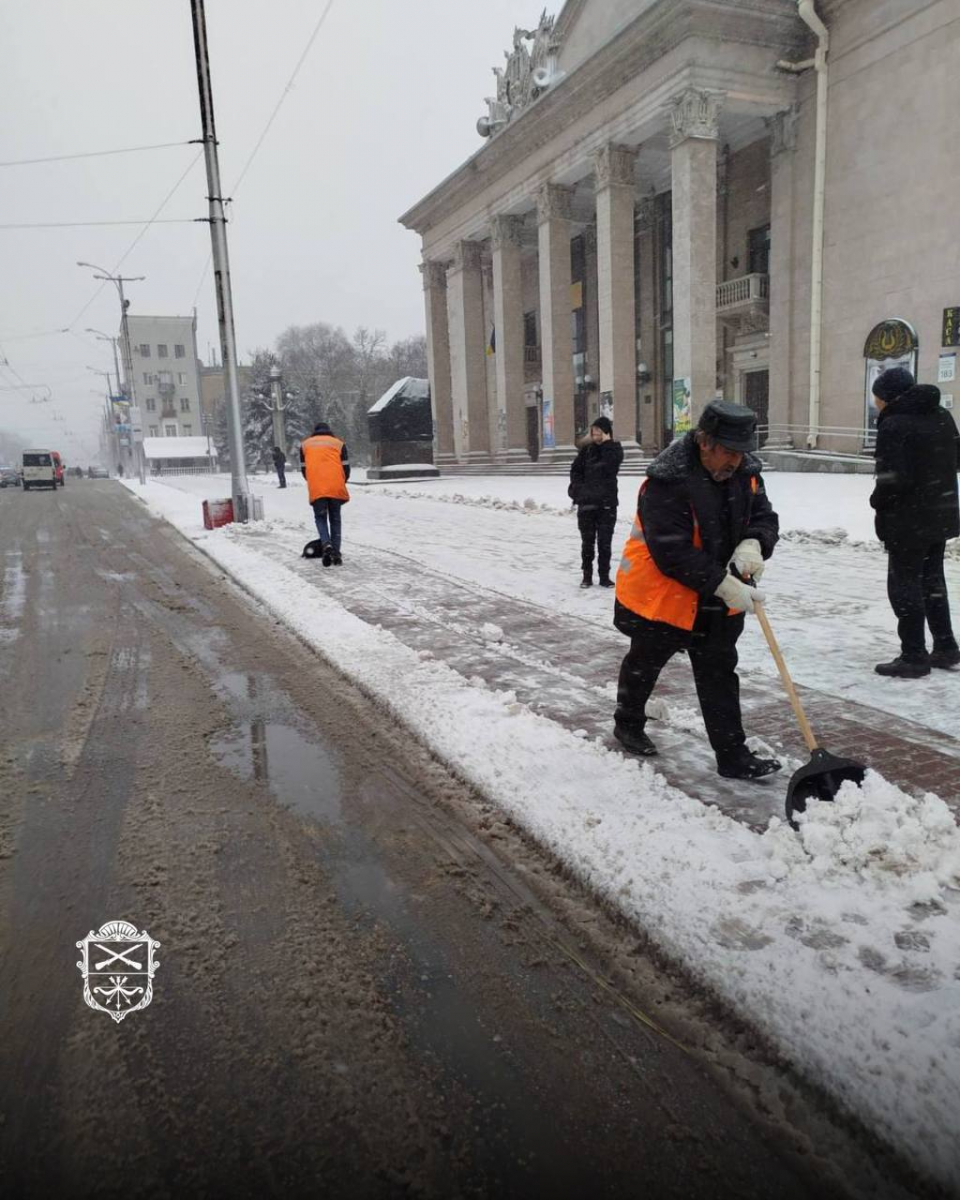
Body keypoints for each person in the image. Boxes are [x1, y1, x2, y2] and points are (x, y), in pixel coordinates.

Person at [612, 399, 781, 779]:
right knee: (645, 663)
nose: (735, 461)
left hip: (717, 596)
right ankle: (627, 721)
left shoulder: (746, 474)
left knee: (719, 671)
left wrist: (754, 542)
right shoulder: (666, 482)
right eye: (728, 452)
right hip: (663, 595)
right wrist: (722, 583)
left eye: (742, 453)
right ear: (704, 441)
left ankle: (732, 755)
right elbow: (670, 550)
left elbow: (764, 516)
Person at [869, 366, 960, 677]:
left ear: (889, 398)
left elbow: (892, 480)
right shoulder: (941, 417)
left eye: (877, 398)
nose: (876, 404)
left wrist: (877, 501)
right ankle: (946, 648)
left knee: (904, 584)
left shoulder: (894, 425)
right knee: (932, 581)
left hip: (907, 520)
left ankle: (914, 655)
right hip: (940, 513)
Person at [568, 416, 623, 588]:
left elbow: (610, 467)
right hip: (587, 505)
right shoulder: (586, 451)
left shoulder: (614, 449)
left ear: (607, 432)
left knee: (605, 543)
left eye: (599, 431)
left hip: (607, 505)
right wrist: (579, 491)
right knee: (588, 543)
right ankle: (587, 576)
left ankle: (604, 576)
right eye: (593, 431)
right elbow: (575, 472)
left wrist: (606, 444)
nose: (595, 434)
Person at [300, 421, 350, 566]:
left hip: (317, 487)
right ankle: (336, 552)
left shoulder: (305, 445)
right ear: (329, 431)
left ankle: (326, 544)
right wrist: (341, 481)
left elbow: (304, 469)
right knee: (335, 519)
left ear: (314, 431)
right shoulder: (338, 443)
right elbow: (346, 468)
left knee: (320, 518)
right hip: (335, 486)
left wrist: (313, 481)